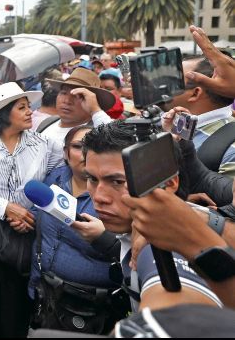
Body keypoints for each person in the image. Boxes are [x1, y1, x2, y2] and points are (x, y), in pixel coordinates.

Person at [80, 121, 223, 311]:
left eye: (117, 181)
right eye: (92, 179)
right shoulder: (140, 228)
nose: (99, 197)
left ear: (169, 183)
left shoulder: (166, 250)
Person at [0, 82, 63, 338]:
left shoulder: (44, 144)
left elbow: (55, 187)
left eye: (29, 106)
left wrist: (33, 217)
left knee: (16, 313)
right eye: (22, 107)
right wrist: (6, 209)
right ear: (3, 113)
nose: (30, 112)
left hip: (25, 243)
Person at [29, 125, 124, 335]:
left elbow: (133, 254)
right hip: (46, 294)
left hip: (94, 307)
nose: (83, 154)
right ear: (65, 152)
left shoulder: (117, 199)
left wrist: (102, 238)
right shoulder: (55, 179)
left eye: (88, 148)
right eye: (78, 146)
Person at [166, 56, 235, 179]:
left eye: (172, 82)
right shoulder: (167, 122)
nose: (161, 86)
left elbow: (227, 197)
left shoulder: (231, 150)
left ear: (195, 93)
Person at [37, 68, 115, 145]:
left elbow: (116, 141)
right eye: (63, 93)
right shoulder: (48, 122)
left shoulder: (96, 133)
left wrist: (95, 110)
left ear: (91, 101)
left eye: (77, 96)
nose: (67, 101)